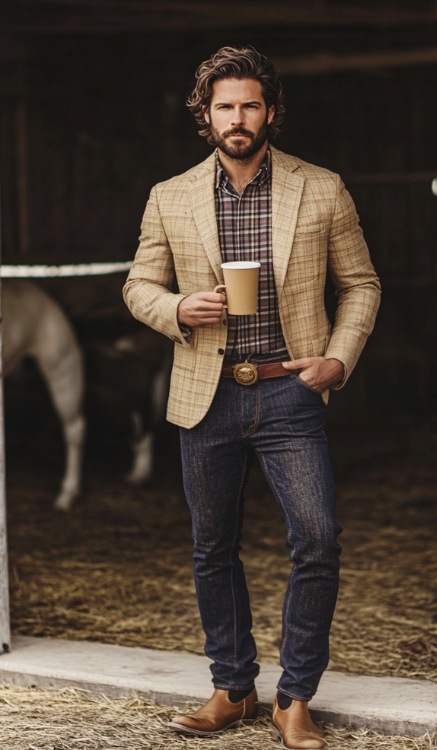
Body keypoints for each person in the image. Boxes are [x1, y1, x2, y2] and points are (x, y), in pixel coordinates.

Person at [123, 45, 380, 750]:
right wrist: (178, 308)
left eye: (251, 105)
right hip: (205, 396)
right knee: (213, 547)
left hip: (290, 391)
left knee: (318, 538)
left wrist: (337, 358)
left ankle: (294, 699)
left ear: (271, 111)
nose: (238, 119)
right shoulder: (169, 195)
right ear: (205, 115)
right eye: (225, 106)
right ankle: (232, 689)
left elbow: (361, 284)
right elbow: (137, 286)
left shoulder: (321, 188)